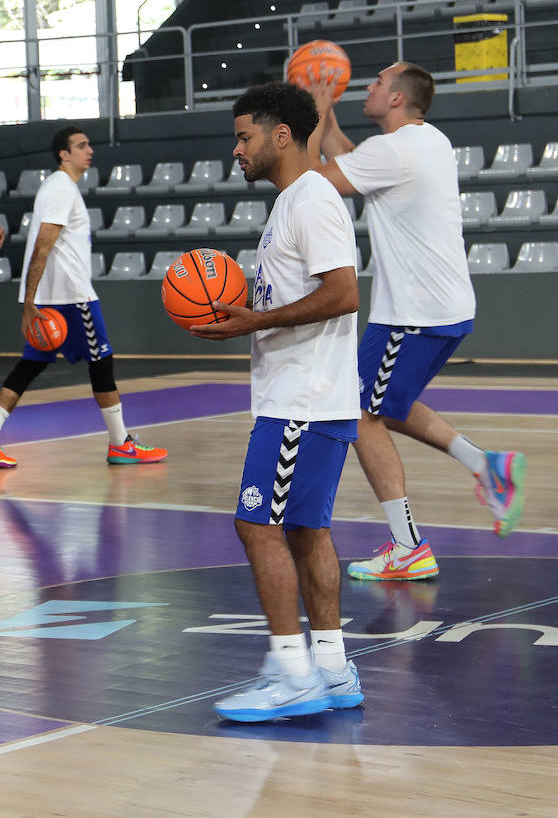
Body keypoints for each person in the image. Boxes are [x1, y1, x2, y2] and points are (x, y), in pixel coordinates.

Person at [305, 62, 524, 582]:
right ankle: (485, 466)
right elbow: (355, 161)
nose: (370, 86)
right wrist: (330, 116)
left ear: (398, 98)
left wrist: (312, 119)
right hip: (444, 310)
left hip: (413, 314)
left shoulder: (391, 151)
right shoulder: (428, 141)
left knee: (358, 411)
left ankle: (408, 547)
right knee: (388, 406)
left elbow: (315, 183)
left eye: (379, 82)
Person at [194, 82, 362, 722]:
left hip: (303, 399)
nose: (236, 149)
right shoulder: (295, 200)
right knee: (306, 529)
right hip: (312, 397)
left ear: (281, 136)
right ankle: (332, 666)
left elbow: (343, 293)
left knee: (254, 524)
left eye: (244, 136)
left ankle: (292, 674)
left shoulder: (311, 200)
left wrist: (252, 323)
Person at [0, 126, 167, 469]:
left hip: (52, 296)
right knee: (102, 363)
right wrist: (29, 303)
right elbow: (43, 246)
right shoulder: (61, 189)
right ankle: (121, 444)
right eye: (81, 145)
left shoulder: (58, 187)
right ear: (64, 154)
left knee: (31, 364)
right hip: (71, 298)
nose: (90, 150)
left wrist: (32, 301)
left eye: (89, 144)